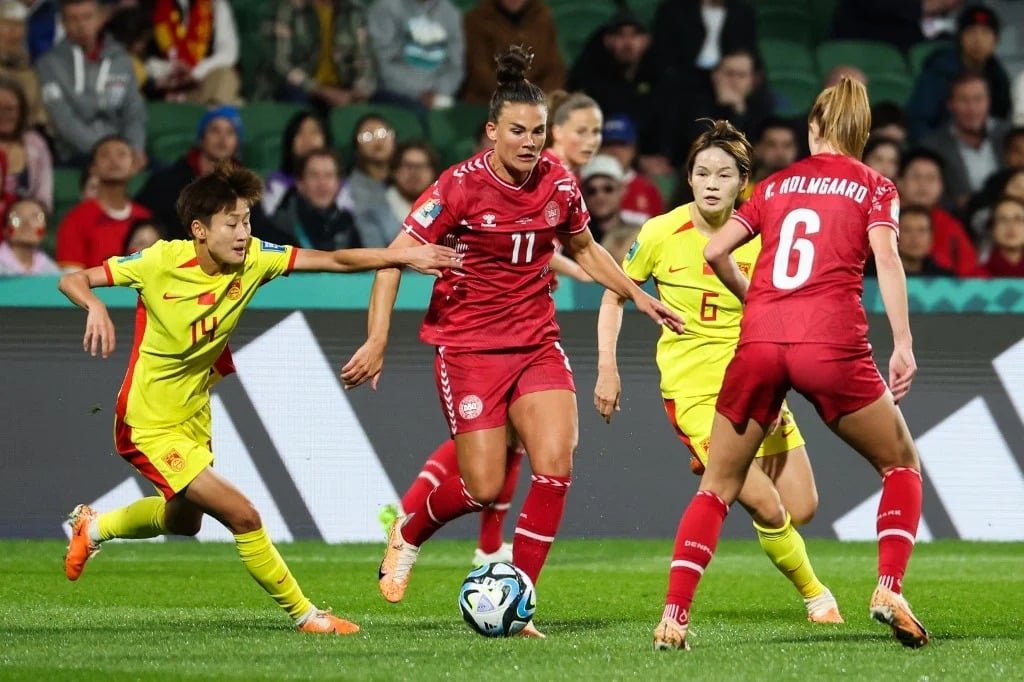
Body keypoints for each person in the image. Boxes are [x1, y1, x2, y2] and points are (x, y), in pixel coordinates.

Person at [341, 45, 682, 637]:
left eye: (538, 131)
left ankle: (519, 601)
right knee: (482, 486)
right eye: (517, 130)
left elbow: (584, 248)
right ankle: (408, 530)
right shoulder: (459, 188)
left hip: (535, 343)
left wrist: (637, 293)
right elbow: (392, 259)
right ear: (492, 131)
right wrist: (377, 338)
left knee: (555, 465)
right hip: (468, 349)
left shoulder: (559, 182)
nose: (529, 141)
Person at [58, 163, 462, 635]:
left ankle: (95, 526)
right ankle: (307, 615)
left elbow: (333, 260)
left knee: (183, 521)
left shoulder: (255, 259)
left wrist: (404, 255)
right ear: (199, 230)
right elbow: (73, 280)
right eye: (231, 223)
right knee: (242, 514)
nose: (243, 233)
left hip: (193, 414)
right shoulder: (159, 261)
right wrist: (96, 306)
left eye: (248, 221)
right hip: (146, 420)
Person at [651, 77, 929, 651]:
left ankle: (674, 618)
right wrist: (902, 342)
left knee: (717, 486)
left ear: (813, 129)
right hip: (831, 343)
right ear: (864, 134)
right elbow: (887, 258)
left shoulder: (774, 185)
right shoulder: (875, 187)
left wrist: (755, 300)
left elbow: (713, 251)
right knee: (901, 463)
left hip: (760, 341)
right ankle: (888, 588)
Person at [596, 119, 842, 628]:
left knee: (805, 506)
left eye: (723, 174)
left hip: (758, 380)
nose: (711, 182)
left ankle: (712, 462)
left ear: (742, 183)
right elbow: (615, 295)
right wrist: (606, 368)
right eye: (702, 172)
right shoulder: (660, 232)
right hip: (695, 391)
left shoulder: (764, 237)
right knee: (767, 505)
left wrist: (777, 393)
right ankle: (818, 597)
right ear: (688, 178)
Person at [36, 0, 146, 166]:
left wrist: (134, 148)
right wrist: (104, 151)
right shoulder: (49, 64)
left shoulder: (121, 59)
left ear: (102, 17)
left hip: (123, 150)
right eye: (73, 19)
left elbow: (134, 110)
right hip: (75, 154)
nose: (80, 25)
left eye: (87, 17)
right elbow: (63, 119)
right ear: (63, 23)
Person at [907, 4, 1011, 142]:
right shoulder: (940, 70)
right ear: (960, 38)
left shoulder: (998, 76)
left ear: (995, 40)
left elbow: (1000, 123)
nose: (978, 40)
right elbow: (918, 120)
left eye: (985, 33)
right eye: (971, 32)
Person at [135, 105, 242, 235]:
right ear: (202, 138)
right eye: (215, 130)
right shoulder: (167, 181)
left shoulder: (243, 186)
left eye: (230, 132)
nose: (222, 138)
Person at [56, 135, 151, 270]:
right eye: (105, 155)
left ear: (134, 166)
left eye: (121, 154)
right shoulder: (75, 219)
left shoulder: (145, 218)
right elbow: (71, 275)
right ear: (93, 168)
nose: (114, 160)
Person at [259, 0, 376, 108]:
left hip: (343, 90)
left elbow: (366, 58)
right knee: (297, 99)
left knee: (388, 102)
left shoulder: (353, 10)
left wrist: (359, 90)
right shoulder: (285, 8)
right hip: (301, 89)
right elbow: (280, 64)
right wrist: (320, 91)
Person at [921, 72, 1009, 211]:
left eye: (978, 99)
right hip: (960, 221)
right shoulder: (933, 147)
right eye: (964, 100)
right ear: (950, 105)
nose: (972, 108)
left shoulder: (1008, 136)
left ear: (989, 101)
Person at [367, 0, 464, 113]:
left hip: (438, 97)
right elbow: (383, 64)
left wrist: (439, 91)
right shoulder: (385, 7)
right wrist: (419, 93)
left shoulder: (450, 12)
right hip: (393, 94)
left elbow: (455, 66)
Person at [462, 0, 564, 105]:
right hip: (489, 103)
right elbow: (480, 72)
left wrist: (543, 97)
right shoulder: (477, 20)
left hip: (539, 102)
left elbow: (554, 68)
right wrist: (517, 98)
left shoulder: (542, 16)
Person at [896, 148, 978, 274]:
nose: (923, 184)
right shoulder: (881, 220)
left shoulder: (952, 226)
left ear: (941, 186)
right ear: (899, 182)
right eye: (916, 177)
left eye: (931, 178)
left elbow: (971, 274)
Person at [269, 149, 361, 250]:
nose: (322, 183)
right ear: (300, 183)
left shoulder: (346, 224)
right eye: (314, 175)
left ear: (338, 185)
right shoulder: (280, 225)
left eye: (328, 175)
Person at [262, 111, 332, 216]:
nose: (307, 139)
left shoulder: (340, 185)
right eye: (299, 132)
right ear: (290, 142)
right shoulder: (277, 183)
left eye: (314, 132)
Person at [599, 114, 665, 224]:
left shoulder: (649, 191)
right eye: (609, 144)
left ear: (634, 149)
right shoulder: (583, 187)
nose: (615, 151)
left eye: (622, 144)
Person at [0, 76, 52, 211]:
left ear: (21, 111)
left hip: (26, 222)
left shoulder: (36, 143)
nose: (3, 115)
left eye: (10, 109)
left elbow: (44, 195)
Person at [347, 113, 398, 247]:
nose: (377, 141)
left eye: (382, 133)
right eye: (368, 136)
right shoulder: (350, 188)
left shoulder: (407, 181)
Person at [0, 0, 48, 129]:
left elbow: (40, 117)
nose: (14, 32)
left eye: (19, 25)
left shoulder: (31, 74)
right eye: (7, 24)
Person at [546, 90, 602, 174]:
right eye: (581, 132)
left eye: (596, 131)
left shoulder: (570, 173)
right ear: (557, 132)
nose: (591, 141)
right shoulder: (546, 175)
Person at [0, 196, 59, 275]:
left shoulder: (52, 272)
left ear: (45, 230)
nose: (27, 223)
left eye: (36, 217)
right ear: (5, 230)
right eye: (17, 217)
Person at [895, 205, 957, 276]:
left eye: (922, 230)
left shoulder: (945, 279)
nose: (915, 238)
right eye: (907, 230)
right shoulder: (881, 276)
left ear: (931, 236)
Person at [981, 195, 1024, 276]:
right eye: (1003, 220)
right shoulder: (979, 276)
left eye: (1018, 219)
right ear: (993, 229)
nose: (1011, 226)